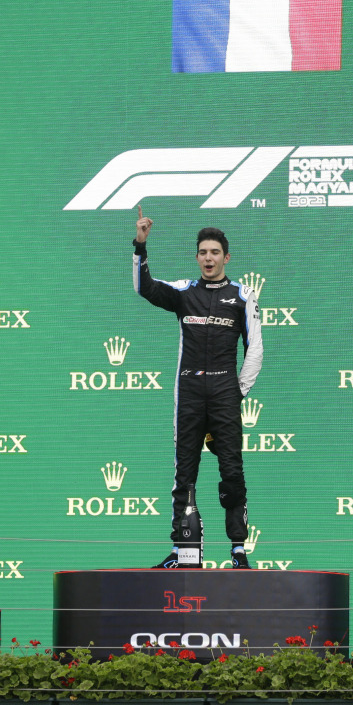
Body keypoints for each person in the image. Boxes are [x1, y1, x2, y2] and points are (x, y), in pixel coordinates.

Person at [133, 206, 263, 569]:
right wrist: (140, 246)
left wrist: (239, 391)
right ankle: (184, 552)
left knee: (232, 471)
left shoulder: (242, 294)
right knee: (184, 472)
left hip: (224, 391)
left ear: (226, 257)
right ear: (197, 257)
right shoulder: (184, 291)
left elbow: (255, 346)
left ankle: (238, 550)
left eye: (215, 252)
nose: (209, 258)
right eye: (203, 252)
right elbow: (145, 288)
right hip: (189, 391)